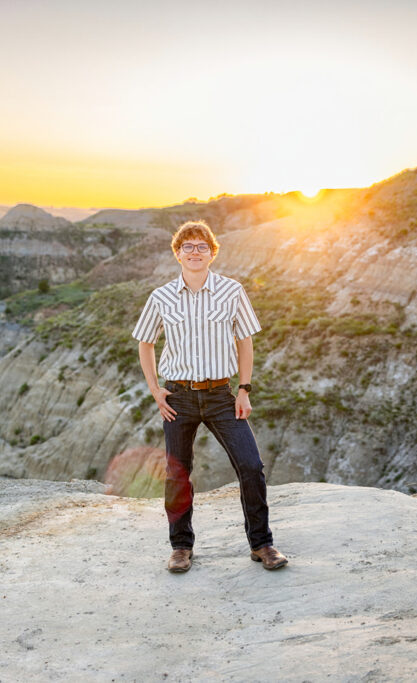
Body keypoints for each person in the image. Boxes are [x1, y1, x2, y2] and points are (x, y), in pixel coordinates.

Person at [132, 220, 287, 573]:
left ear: (213, 253)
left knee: (251, 466)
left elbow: (245, 341)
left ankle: (262, 543)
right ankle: (181, 548)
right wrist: (156, 389)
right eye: (188, 246)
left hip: (221, 395)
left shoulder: (232, 291)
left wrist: (244, 389)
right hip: (179, 397)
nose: (195, 252)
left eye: (202, 246)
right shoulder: (161, 297)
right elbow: (145, 342)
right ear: (177, 254)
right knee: (177, 473)